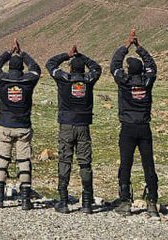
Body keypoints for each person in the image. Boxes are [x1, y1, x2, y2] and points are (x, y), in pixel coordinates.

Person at [46, 45, 102, 214]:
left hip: (66, 125)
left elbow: (50, 64)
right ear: (83, 68)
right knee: (85, 163)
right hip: (83, 126)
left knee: (65, 160)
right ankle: (86, 203)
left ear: (70, 68)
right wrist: (82, 56)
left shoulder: (64, 78)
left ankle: (63, 202)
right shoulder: (89, 79)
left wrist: (67, 54)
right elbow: (97, 68)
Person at [110, 29, 159, 216]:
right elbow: (152, 66)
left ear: (129, 70)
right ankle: (152, 202)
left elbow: (114, 64)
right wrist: (139, 47)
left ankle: (125, 202)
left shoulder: (124, 81)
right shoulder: (147, 81)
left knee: (126, 164)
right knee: (148, 165)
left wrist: (127, 45)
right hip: (144, 128)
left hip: (128, 128)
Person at [0, 40, 41, 210]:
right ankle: (25, 199)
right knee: (24, 160)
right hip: (23, 127)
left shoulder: (2, 80)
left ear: (10, 67)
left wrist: (7, 52)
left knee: (3, 159)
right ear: (21, 68)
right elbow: (36, 69)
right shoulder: (28, 80)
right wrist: (23, 53)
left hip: (5, 125)